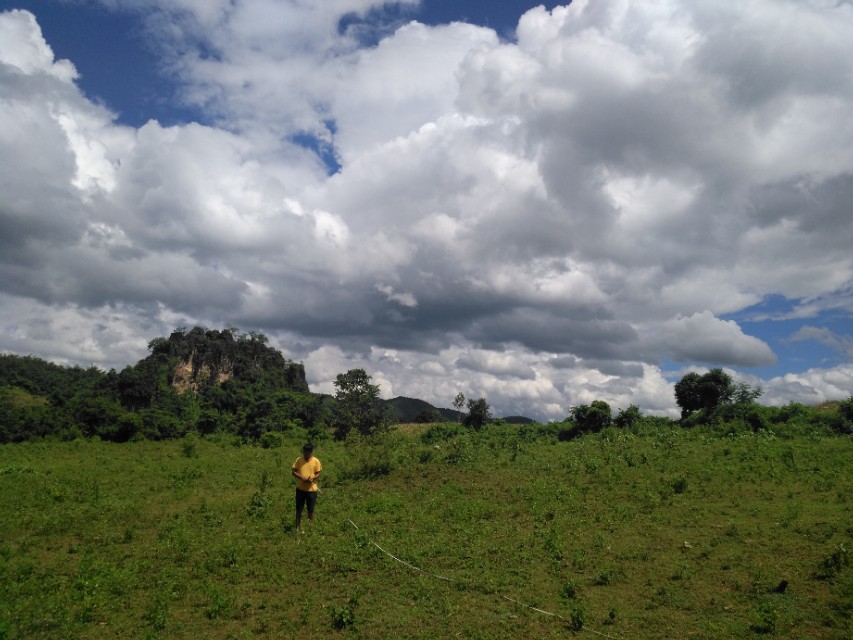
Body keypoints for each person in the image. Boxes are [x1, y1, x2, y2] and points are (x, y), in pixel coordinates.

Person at [291, 442, 322, 534]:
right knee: (299, 509)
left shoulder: (316, 461)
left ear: (310, 452)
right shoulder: (299, 460)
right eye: (304, 452)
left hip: (311, 490)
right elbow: (293, 472)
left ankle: (310, 528)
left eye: (307, 452)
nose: (305, 454)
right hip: (300, 489)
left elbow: (318, 473)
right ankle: (297, 528)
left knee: (311, 510)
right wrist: (301, 478)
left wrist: (312, 478)